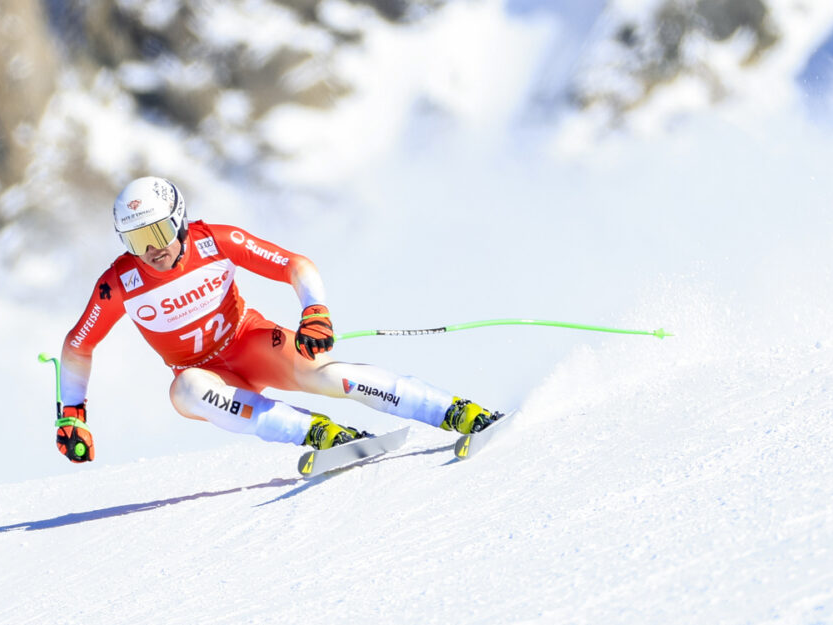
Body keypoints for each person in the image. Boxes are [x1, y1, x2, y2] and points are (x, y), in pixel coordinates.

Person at [54, 176, 503, 463]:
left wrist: (315, 311)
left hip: (250, 343)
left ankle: (457, 412)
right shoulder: (120, 283)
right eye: (136, 239)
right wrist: (71, 413)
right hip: (206, 377)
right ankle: (319, 433)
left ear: (180, 221)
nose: (152, 249)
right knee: (185, 390)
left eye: (158, 232)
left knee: (329, 377)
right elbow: (78, 345)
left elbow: (295, 264)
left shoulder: (218, 241)